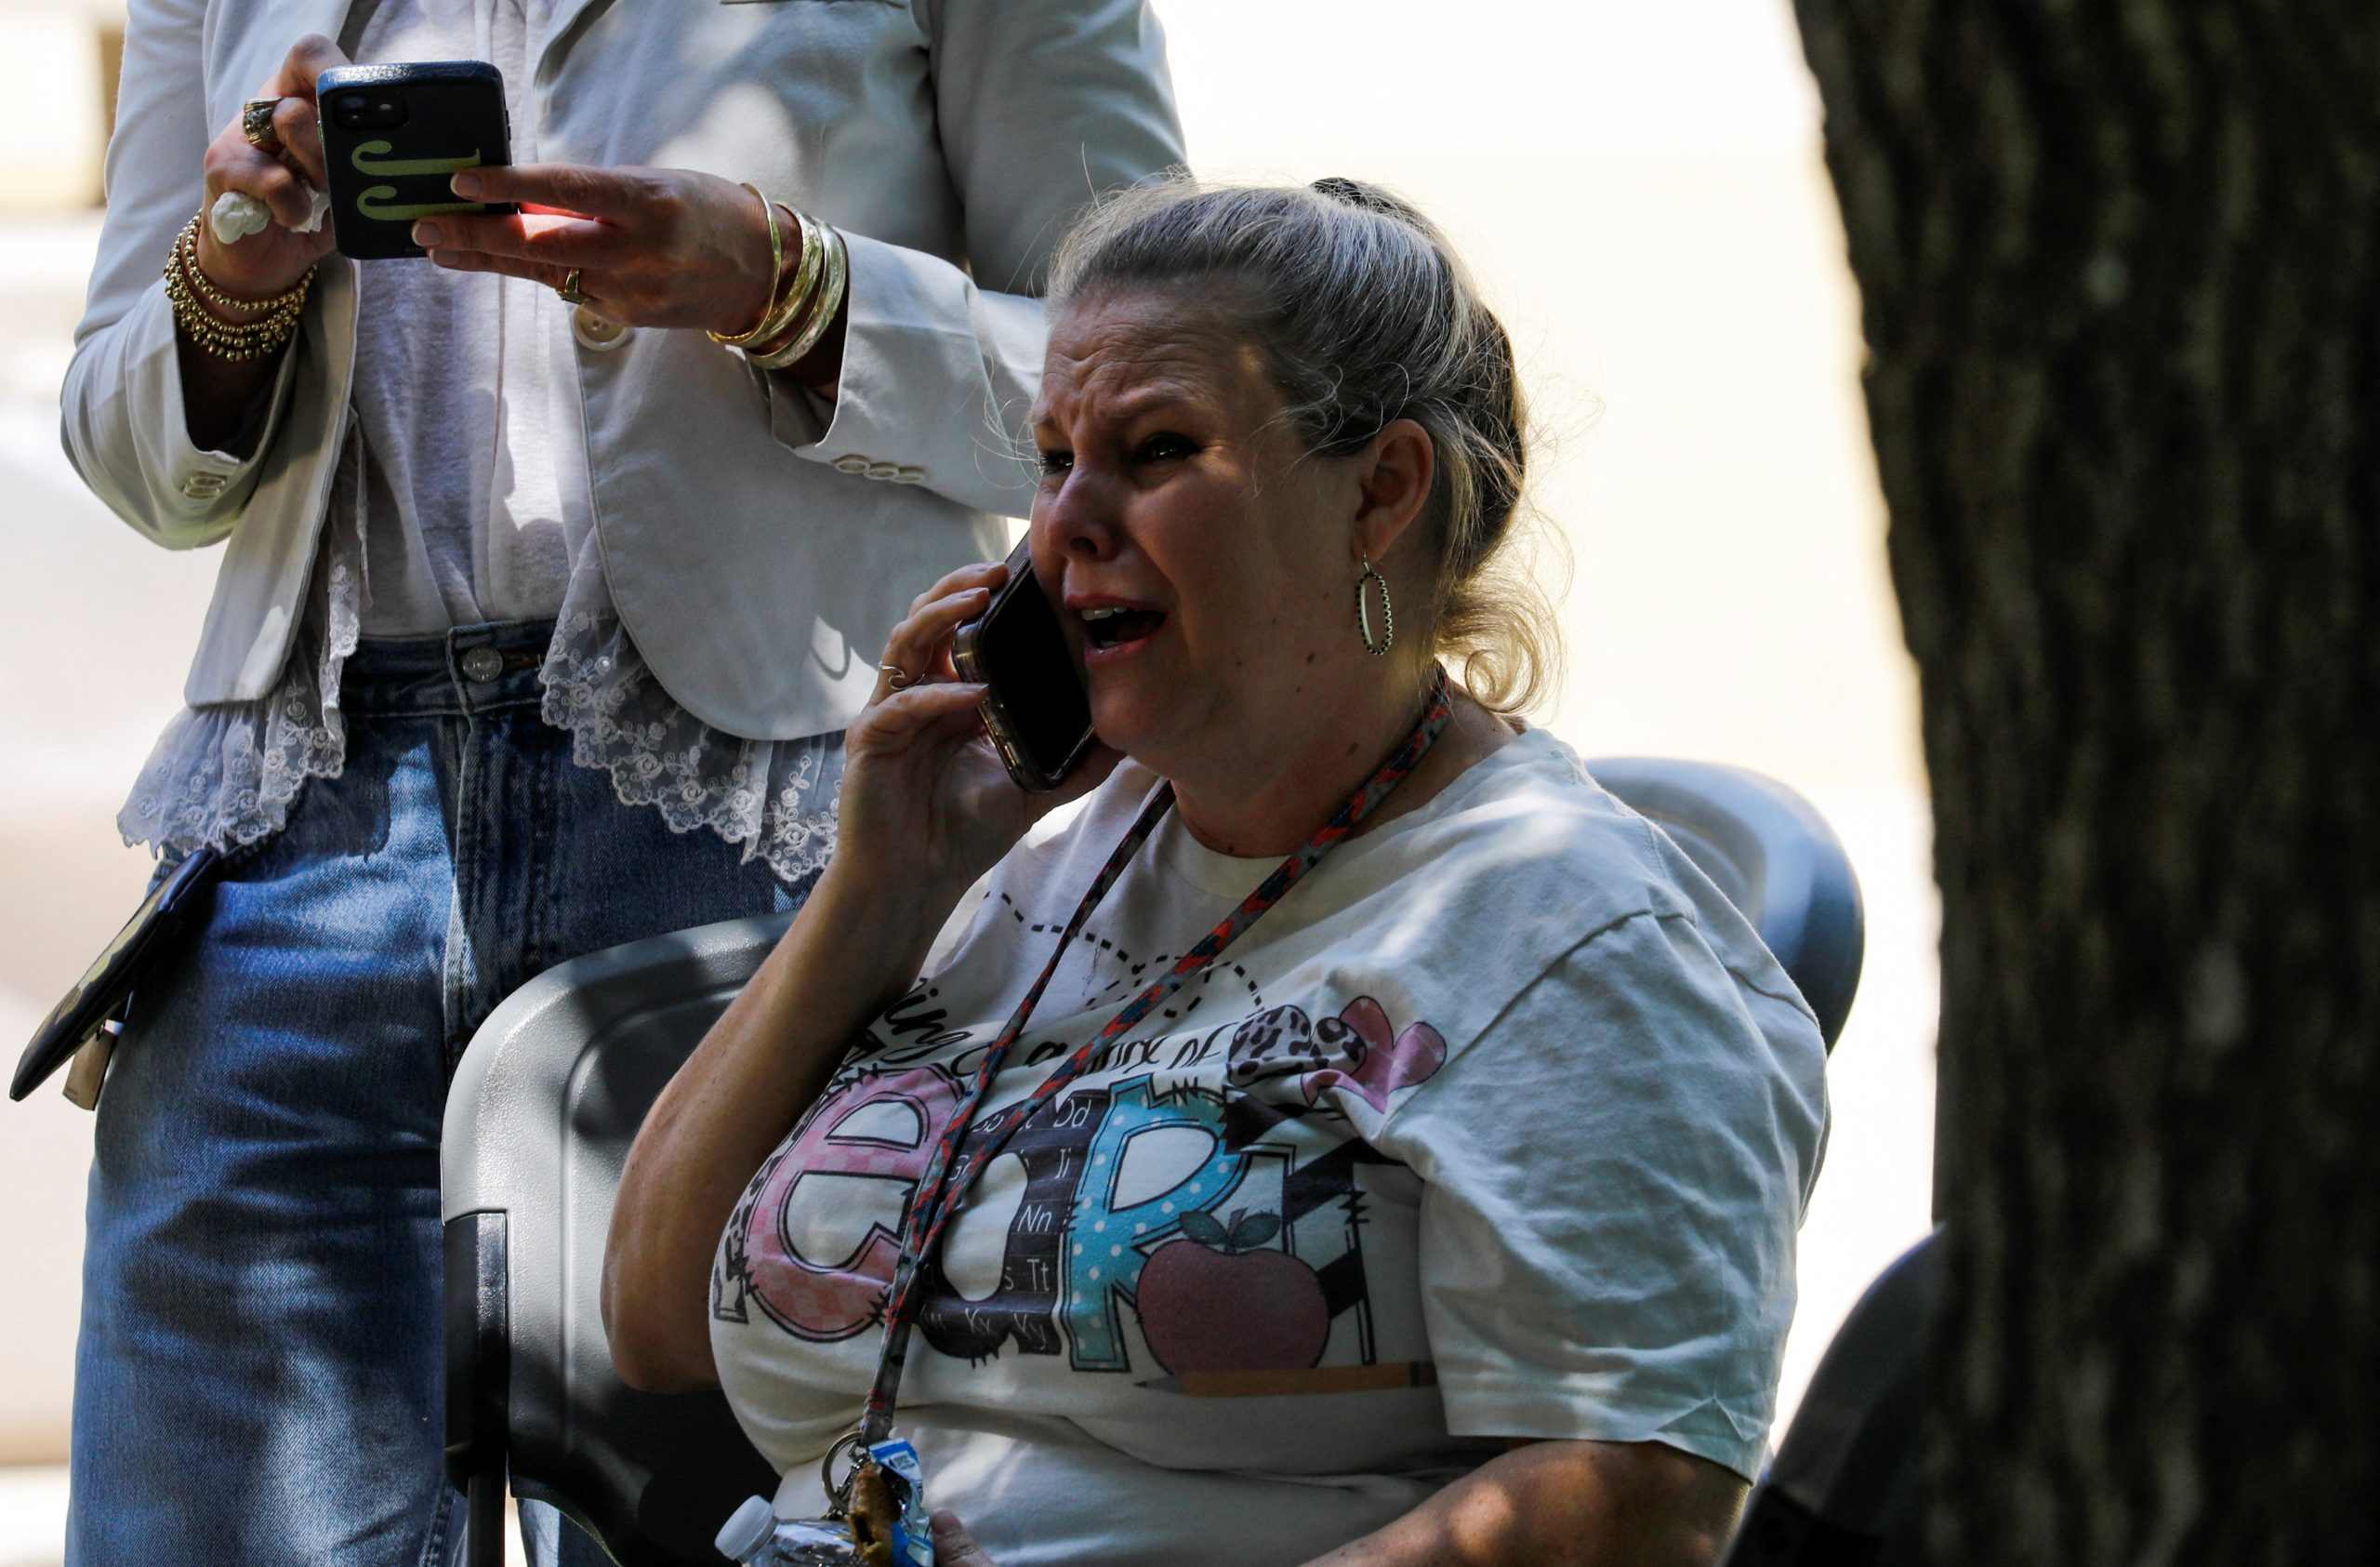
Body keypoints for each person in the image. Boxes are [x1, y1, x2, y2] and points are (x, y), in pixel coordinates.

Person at [58, 2, 1180, 1562]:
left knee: (744, 1527)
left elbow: (1145, 374)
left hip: (758, 833)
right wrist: (230, 284)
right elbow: (124, 445)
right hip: (302, 826)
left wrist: (792, 288)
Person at [603, 178, 1831, 1567]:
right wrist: (880, 891)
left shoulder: (1573, 929)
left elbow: (1635, 1498)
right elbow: (651, 1319)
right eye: (1056, 456)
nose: (1063, 525)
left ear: (1383, 491)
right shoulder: (1043, 854)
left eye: (1156, 450)